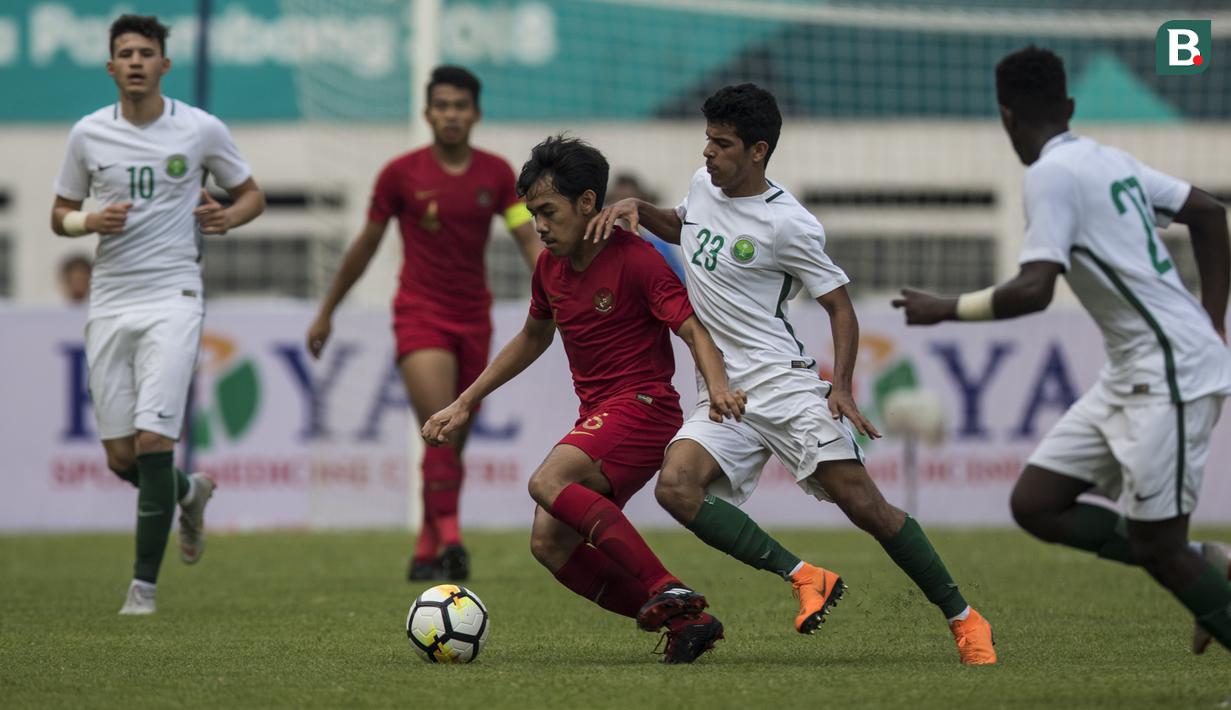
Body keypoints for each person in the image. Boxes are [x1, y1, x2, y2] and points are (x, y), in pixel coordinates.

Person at [589, 83, 996, 665]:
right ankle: (805, 576)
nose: (708, 153)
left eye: (722, 144)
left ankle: (964, 617)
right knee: (676, 487)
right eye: (707, 139)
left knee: (867, 508)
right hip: (724, 391)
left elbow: (840, 306)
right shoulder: (704, 186)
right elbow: (688, 227)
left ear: (758, 151)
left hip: (783, 385)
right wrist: (643, 213)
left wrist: (845, 387)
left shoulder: (789, 223)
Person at [894, 46, 1231, 655]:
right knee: (1037, 503)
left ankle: (1199, 572)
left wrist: (944, 308)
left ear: (1006, 117)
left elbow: (1034, 290)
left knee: (1160, 550)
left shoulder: (1049, 174)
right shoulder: (1108, 159)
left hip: (1175, 374)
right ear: (1069, 106)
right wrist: (1213, 320)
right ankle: (1207, 566)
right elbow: (1208, 212)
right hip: (1136, 370)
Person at [422, 135, 742, 663]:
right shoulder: (549, 269)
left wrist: (718, 388)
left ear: (588, 202)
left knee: (548, 481)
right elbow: (532, 337)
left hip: (644, 407)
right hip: (601, 415)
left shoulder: (637, 259)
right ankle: (690, 621)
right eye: (532, 214)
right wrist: (465, 401)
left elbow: (692, 329)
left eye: (548, 211)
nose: (539, 226)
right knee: (549, 544)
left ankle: (666, 584)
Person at [50, 14, 266, 615]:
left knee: (153, 439)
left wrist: (229, 215)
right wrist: (87, 222)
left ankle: (142, 588)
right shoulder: (88, 134)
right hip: (109, 299)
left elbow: (251, 194)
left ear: (164, 65)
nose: (137, 61)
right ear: (111, 66)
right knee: (123, 457)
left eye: (147, 52)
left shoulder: (198, 130)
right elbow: (58, 213)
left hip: (174, 295)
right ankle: (189, 494)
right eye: (126, 53)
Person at [307, 66, 540, 584]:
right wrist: (328, 310)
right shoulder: (400, 174)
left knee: (452, 438)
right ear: (427, 112)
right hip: (419, 315)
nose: (451, 114)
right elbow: (365, 245)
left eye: (461, 105)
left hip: (473, 317)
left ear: (475, 113)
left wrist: (559, 289)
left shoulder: (499, 175)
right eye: (443, 105)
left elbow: (527, 238)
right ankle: (453, 538)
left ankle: (425, 543)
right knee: (439, 421)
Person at [607, 173, 685, 280]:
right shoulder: (606, 246)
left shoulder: (660, 245)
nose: (624, 209)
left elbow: (680, 278)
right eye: (619, 200)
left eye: (629, 201)